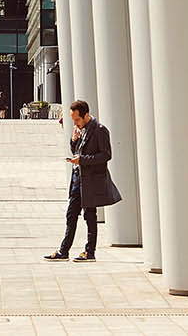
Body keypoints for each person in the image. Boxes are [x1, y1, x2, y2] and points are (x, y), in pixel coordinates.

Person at [44, 98, 121, 263]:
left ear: (86, 115)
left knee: (89, 216)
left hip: (91, 180)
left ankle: (89, 252)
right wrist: (73, 140)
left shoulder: (100, 130)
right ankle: (64, 251)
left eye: (77, 119)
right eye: (73, 120)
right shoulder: (81, 129)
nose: (76, 123)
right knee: (71, 214)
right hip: (78, 178)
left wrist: (82, 160)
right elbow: (76, 151)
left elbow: (106, 155)